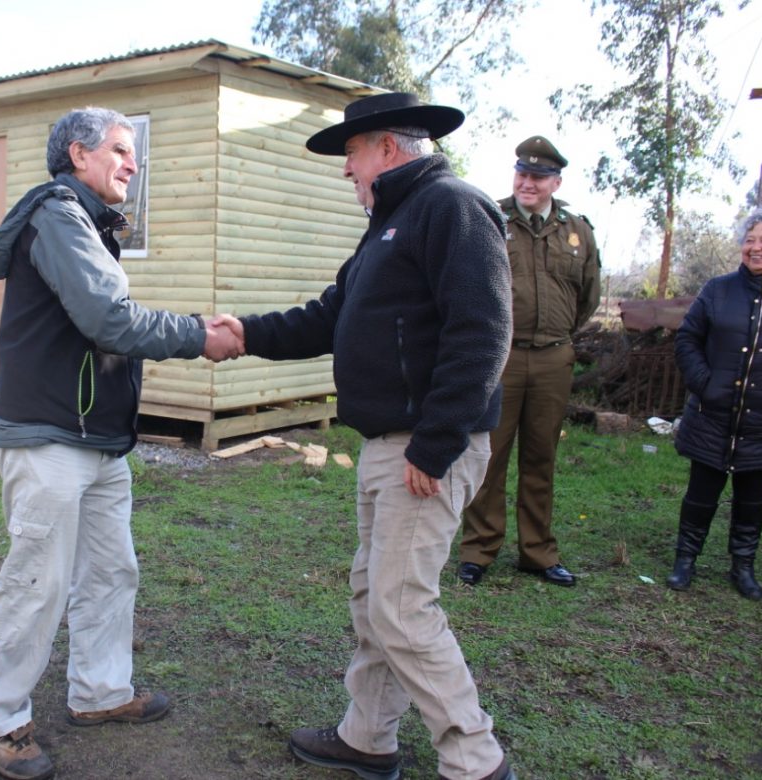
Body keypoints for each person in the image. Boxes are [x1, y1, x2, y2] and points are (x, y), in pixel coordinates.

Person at [220, 92, 516, 780]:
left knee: (400, 606)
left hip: (423, 448)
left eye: (351, 153)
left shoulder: (451, 206)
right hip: (392, 445)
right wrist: (243, 333)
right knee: (374, 597)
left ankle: (476, 760)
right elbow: (330, 316)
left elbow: (484, 331)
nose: (345, 169)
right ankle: (367, 738)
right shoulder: (393, 221)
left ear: (386, 147)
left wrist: (436, 443)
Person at [0, 106, 241, 780]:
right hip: (51, 437)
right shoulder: (59, 216)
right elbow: (108, 318)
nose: (132, 163)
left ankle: (100, 691)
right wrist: (196, 335)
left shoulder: (88, 224)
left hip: (97, 441)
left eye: (133, 152)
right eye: (121, 149)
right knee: (38, 579)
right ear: (78, 154)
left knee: (111, 570)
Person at [457, 136, 601, 588]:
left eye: (538, 177)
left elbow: (588, 296)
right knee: (489, 454)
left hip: (554, 359)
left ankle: (537, 553)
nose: (528, 182)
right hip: (499, 356)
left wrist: (557, 335)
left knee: (542, 456)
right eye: (522, 174)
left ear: (556, 181)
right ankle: (479, 549)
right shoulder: (489, 218)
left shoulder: (576, 230)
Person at [666, 206, 762, 601]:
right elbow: (687, 340)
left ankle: (743, 566)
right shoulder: (718, 290)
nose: (755, 248)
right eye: (750, 240)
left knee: (752, 498)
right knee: (701, 493)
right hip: (712, 415)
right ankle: (685, 560)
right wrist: (705, 384)